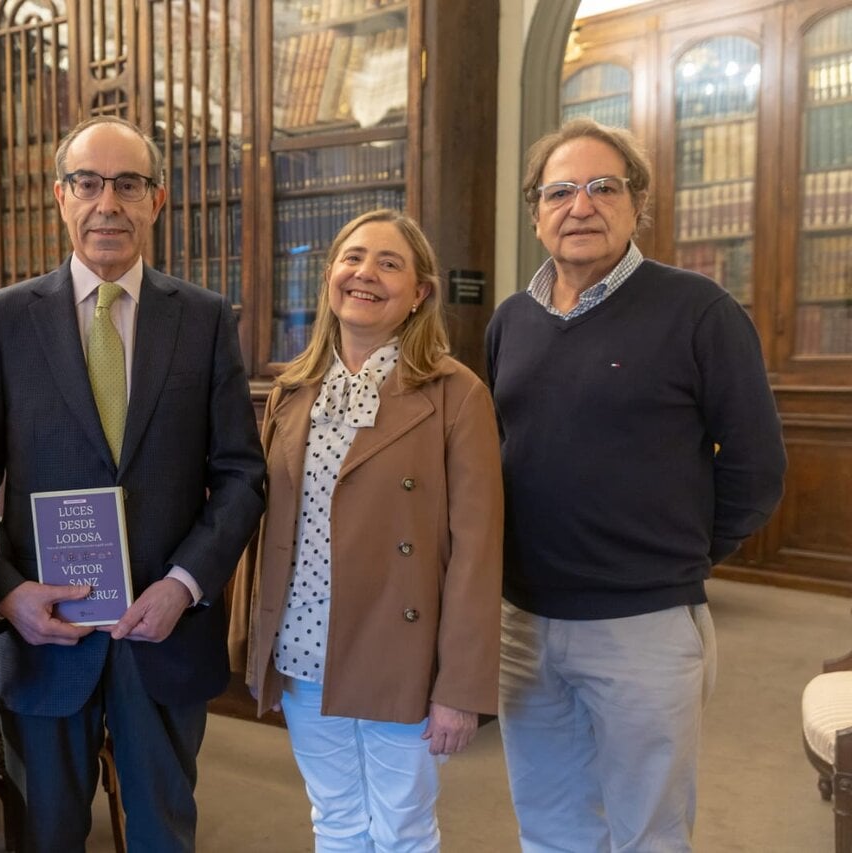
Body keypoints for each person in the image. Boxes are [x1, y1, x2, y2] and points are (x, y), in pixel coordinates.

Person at [0, 115, 265, 852]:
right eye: (89, 183)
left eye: (128, 184)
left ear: (156, 200)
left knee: (164, 830)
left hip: (162, 632)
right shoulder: (2, 320)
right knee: (48, 832)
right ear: (61, 198)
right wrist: (5, 592)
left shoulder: (204, 319)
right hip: (44, 636)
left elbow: (241, 475)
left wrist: (185, 584)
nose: (108, 203)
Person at [486, 117, 787, 852]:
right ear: (535, 211)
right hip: (524, 621)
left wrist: (672, 555)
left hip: (642, 626)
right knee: (549, 823)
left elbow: (756, 469)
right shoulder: (511, 321)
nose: (579, 205)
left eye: (602, 187)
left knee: (647, 831)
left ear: (636, 203)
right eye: (559, 190)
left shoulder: (699, 311)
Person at [229, 209, 504, 852]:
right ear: (330, 277)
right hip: (302, 646)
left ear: (419, 294)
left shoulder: (456, 394)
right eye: (353, 258)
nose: (366, 274)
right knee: (336, 820)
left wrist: (460, 688)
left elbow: (476, 553)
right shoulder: (291, 391)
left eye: (389, 263)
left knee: (403, 829)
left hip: (400, 654)